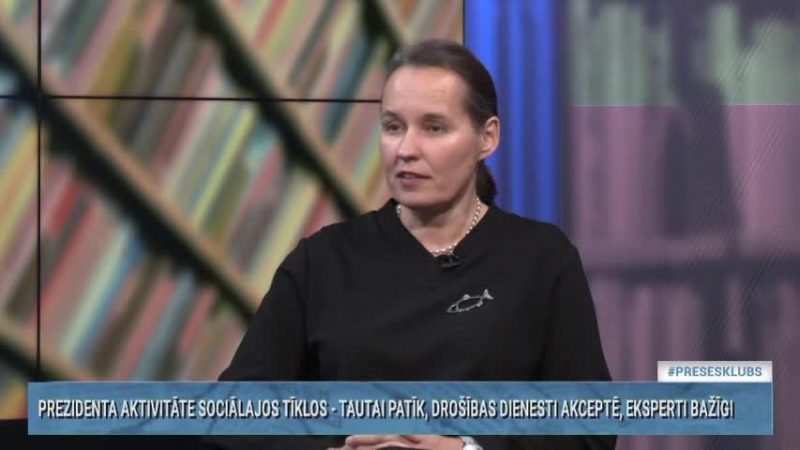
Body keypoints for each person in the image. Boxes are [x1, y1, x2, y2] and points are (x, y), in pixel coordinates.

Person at [206, 39, 615, 450]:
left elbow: (589, 429)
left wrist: (464, 449)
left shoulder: (541, 259)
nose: (406, 150)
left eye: (434, 128)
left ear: (487, 137)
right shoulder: (321, 261)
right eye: (393, 127)